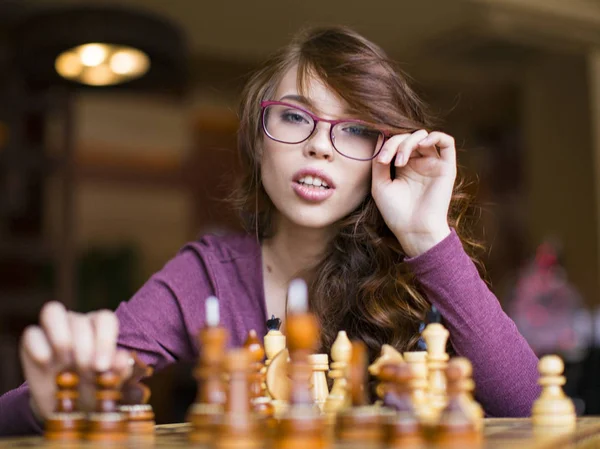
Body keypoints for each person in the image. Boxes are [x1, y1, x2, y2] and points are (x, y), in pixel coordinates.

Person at [0, 26, 540, 436]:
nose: (320, 145)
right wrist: (48, 401)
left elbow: (530, 410)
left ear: (384, 155)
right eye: (293, 116)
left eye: (355, 128)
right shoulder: (208, 275)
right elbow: (24, 408)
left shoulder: (419, 271)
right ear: (259, 139)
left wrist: (427, 237)